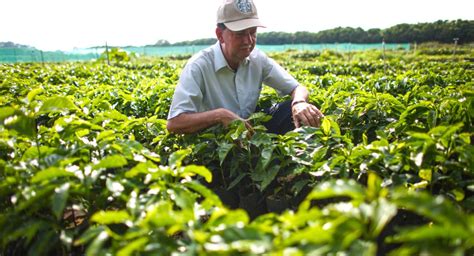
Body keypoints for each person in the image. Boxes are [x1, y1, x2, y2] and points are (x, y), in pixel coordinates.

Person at [167, 0, 324, 135]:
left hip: (248, 132)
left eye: (253, 32)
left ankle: (294, 166)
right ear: (220, 35)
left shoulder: (257, 58)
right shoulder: (198, 66)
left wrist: (299, 103)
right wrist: (220, 116)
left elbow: (297, 88)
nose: (248, 40)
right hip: (216, 140)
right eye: (240, 33)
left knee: (299, 112)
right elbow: (174, 123)